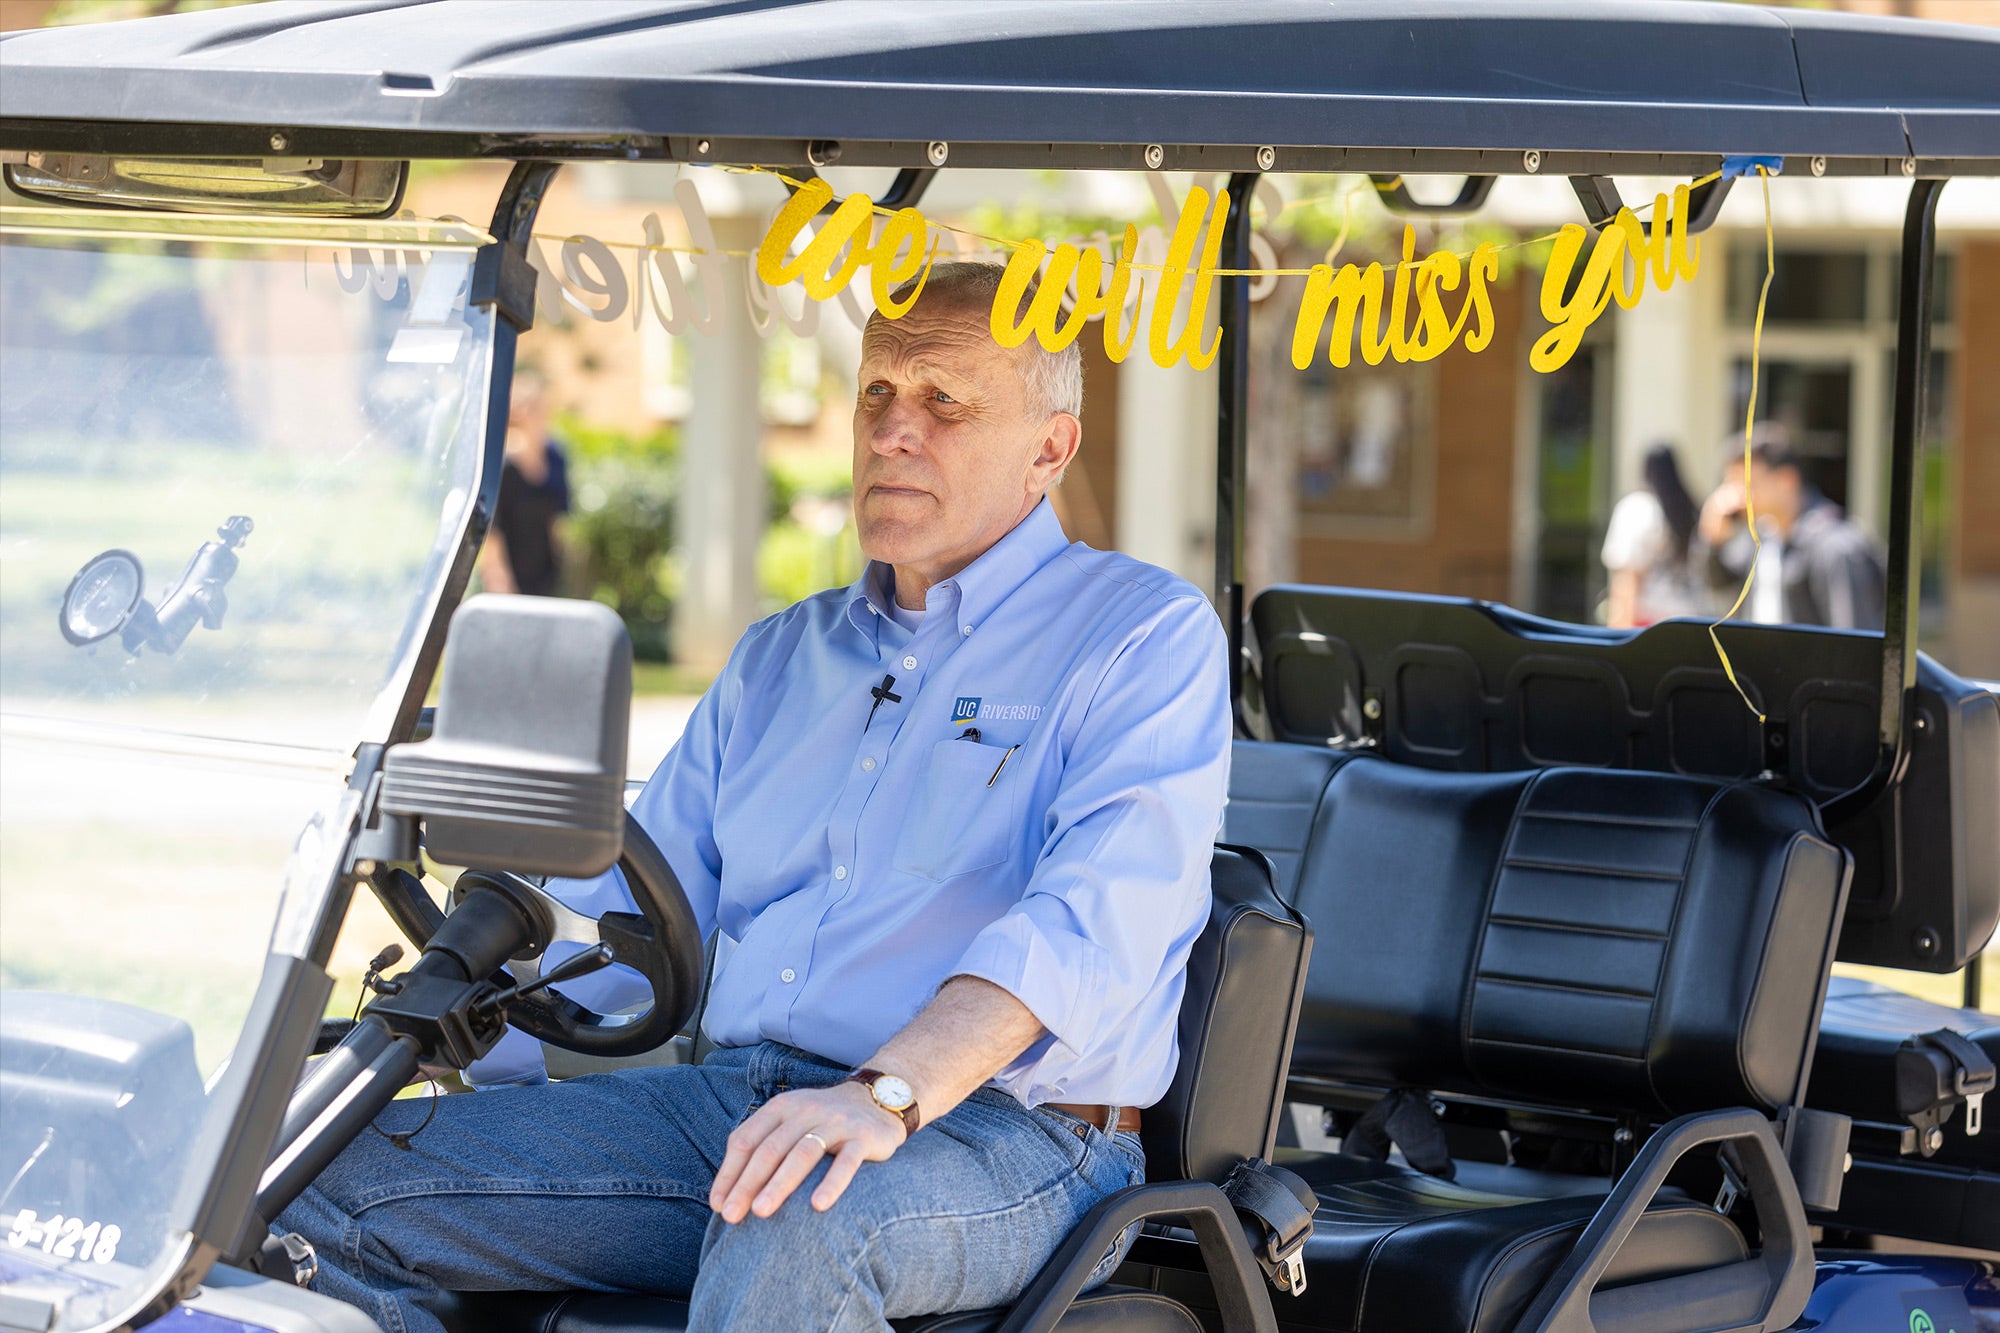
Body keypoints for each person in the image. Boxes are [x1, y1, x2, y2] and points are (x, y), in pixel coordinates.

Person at [277, 262, 1233, 1333]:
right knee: (318, 1172)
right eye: (877, 392)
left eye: (943, 400)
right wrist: (457, 1017)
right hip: (737, 1107)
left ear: (1048, 449)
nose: (891, 430)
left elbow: (1092, 926)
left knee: (800, 1210)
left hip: (1004, 1133)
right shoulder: (786, 655)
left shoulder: (1139, 635)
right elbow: (634, 900)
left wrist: (883, 1094)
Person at [1699, 432, 1886, 630]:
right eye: (1731, 485)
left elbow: (1853, 638)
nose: (1736, 497)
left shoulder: (1836, 548)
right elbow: (1720, 584)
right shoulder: (1761, 538)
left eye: (1746, 484)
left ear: (1787, 480)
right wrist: (1713, 540)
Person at [478, 371, 571, 596]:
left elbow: (559, 517)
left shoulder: (555, 457)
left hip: (545, 578)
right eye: (537, 409)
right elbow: (491, 530)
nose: (544, 416)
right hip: (509, 581)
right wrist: (500, 581)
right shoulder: (501, 464)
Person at [1601, 443, 1705, 628]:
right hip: (1690, 621)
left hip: (1648, 625)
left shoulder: (1638, 508)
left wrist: (1619, 630)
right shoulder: (1692, 509)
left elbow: (1629, 575)